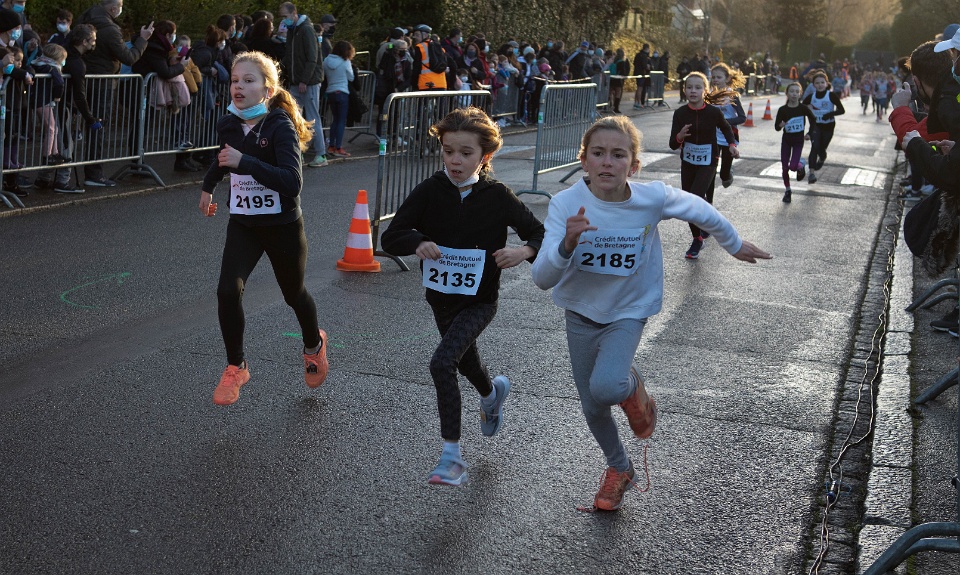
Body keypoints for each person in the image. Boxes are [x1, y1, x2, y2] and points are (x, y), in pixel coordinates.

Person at [530, 115, 770, 511]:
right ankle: (620, 468)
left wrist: (733, 242)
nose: (607, 162)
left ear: (634, 165)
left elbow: (700, 209)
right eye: (598, 154)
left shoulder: (651, 198)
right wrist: (566, 245)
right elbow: (542, 278)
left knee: (607, 387)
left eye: (618, 155)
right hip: (581, 311)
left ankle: (632, 387)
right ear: (584, 161)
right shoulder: (566, 204)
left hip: (628, 309)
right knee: (592, 406)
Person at [380, 107, 545, 486]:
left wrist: (523, 251)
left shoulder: (498, 196)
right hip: (440, 299)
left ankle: (451, 457)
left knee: (443, 363)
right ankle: (492, 393)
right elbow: (392, 236)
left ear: (485, 156)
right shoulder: (430, 190)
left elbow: (539, 232)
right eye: (448, 151)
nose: (455, 160)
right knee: (466, 363)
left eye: (465, 153)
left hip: (480, 301)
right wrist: (417, 241)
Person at [197, 51, 329, 406]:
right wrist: (208, 187)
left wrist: (246, 162)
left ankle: (313, 344)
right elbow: (223, 157)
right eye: (234, 80)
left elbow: (292, 181)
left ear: (267, 90)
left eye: (248, 80)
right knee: (227, 290)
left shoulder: (279, 126)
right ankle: (236, 366)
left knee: (293, 294)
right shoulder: (229, 123)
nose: (238, 87)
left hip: (282, 225)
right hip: (244, 223)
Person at [78, 0, 155, 187]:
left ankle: (86, 173)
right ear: (113, 8)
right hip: (102, 82)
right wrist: (143, 39)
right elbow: (129, 57)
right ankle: (94, 174)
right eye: (120, 6)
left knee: (90, 125)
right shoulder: (110, 30)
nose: (121, 9)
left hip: (86, 79)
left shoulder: (85, 19)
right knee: (98, 127)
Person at [669, 71, 739, 259]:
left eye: (697, 87)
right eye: (689, 87)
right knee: (689, 203)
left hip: (709, 161)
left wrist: (732, 145)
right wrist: (680, 136)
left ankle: (702, 226)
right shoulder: (680, 113)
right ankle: (698, 237)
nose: (693, 91)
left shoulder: (713, 112)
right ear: (684, 90)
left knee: (695, 197)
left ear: (705, 91)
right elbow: (673, 144)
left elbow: (726, 128)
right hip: (688, 162)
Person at [278, 2, 327, 168]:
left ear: (294, 13)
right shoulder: (294, 30)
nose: (283, 20)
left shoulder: (306, 30)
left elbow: (312, 58)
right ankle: (298, 151)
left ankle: (321, 154)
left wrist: (304, 80)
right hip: (297, 81)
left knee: (312, 117)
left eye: (285, 16)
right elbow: (290, 56)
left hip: (308, 82)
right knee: (295, 118)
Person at [774, 82, 817, 203]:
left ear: (800, 94)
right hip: (786, 140)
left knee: (793, 167)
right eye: (792, 91)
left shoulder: (803, 108)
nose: (794, 94)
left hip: (798, 140)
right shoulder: (782, 110)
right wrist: (781, 125)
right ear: (787, 93)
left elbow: (813, 120)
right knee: (784, 167)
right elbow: (776, 127)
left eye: (797, 92)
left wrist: (810, 133)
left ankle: (801, 164)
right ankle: (788, 190)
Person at [802, 70, 845, 184]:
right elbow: (801, 109)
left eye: (822, 82)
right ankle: (811, 174)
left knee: (821, 149)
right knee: (814, 147)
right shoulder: (811, 97)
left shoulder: (831, 95)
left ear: (826, 83)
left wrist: (830, 114)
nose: (820, 85)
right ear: (813, 85)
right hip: (816, 126)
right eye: (817, 83)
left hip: (828, 127)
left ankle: (822, 157)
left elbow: (842, 110)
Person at [710, 63, 746, 188]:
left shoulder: (732, 96)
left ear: (727, 79)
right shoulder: (709, 95)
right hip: (712, 136)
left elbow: (742, 117)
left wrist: (725, 122)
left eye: (719, 77)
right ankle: (708, 196)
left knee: (724, 174)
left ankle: (727, 174)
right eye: (713, 77)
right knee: (710, 170)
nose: (715, 80)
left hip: (728, 137)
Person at [323, 39, 354, 158]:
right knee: (341, 120)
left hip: (330, 91)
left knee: (335, 120)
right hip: (342, 91)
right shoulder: (345, 61)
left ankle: (331, 146)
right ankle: (339, 147)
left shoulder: (326, 60)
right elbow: (351, 77)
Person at [632, 43, 650, 109]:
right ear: (647, 48)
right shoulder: (644, 56)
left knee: (638, 88)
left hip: (637, 72)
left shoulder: (638, 54)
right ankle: (639, 102)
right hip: (642, 73)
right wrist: (648, 67)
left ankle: (636, 102)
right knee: (640, 88)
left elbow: (634, 63)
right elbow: (644, 65)